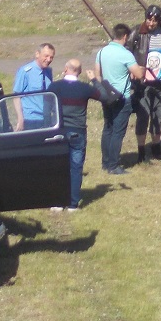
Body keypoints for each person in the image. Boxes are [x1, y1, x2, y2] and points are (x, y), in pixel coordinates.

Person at [50, 58, 110, 210]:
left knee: (58, 167)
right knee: (76, 167)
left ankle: (58, 202)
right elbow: (105, 97)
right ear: (80, 71)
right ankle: (72, 204)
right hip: (78, 131)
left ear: (65, 69)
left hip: (59, 131)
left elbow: (46, 108)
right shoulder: (85, 88)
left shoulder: (55, 86)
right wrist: (94, 80)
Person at [127, 5, 161, 163]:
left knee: (158, 115)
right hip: (142, 82)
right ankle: (141, 151)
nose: (151, 23)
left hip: (160, 81)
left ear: (159, 20)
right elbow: (127, 51)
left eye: (154, 20)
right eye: (149, 19)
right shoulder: (137, 32)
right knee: (142, 115)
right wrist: (133, 69)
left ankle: (156, 148)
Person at [97, 24, 143, 174]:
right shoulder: (125, 54)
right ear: (125, 37)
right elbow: (139, 74)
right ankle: (114, 165)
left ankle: (105, 163)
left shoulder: (102, 52)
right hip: (122, 97)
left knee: (107, 129)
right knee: (118, 132)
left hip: (106, 96)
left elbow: (98, 75)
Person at [12, 44, 55, 131]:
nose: (49, 60)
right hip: (31, 119)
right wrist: (20, 119)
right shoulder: (25, 71)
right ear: (37, 54)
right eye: (46, 56)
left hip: (46, 117)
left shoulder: (49, 71)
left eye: (51, 57)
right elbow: (16, 96)